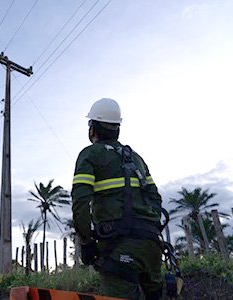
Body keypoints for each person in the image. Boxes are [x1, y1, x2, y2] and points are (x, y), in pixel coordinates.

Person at [71, 98, 164, 300]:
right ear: (117, 129)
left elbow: (80, 204)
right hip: (152, 246)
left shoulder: (90, 155)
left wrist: (87, 244)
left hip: (118, 247)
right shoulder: (136, 158)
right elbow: (155, 198)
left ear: (93, 128)